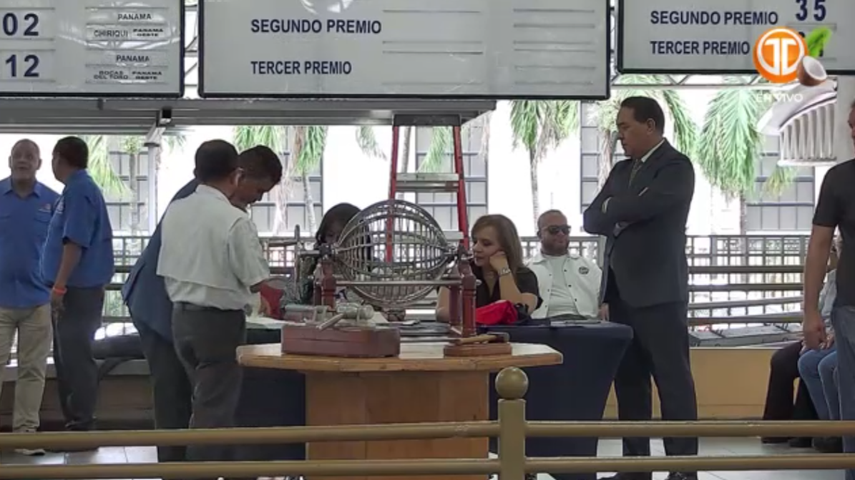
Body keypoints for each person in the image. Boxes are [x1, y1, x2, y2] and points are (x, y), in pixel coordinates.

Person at [122, 145, 282, 464]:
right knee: (181, 399)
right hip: (159, 306)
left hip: (179, 310)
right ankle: (186, 470)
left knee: (200, 400)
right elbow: (244, 273)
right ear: (238, 176)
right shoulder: (217, 210)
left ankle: (188, 468)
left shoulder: (191, 201)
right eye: (259, 190)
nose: (257, 199)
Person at [582, 96, 697, 480]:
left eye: (626, 127)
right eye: (618, 128)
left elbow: (643, 208)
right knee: (630, 384)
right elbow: (591, 218)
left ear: (650, 126)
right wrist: (619, 208)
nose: (620, 136)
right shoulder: (621, 170)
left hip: (660, 292)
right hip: (620, 293)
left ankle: (683, 468)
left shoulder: (675, 167)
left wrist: (616, 208)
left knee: (672, 381)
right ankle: (635, 466)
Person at [157, 140, 270, 466]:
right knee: (214, 410)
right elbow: (255, 279)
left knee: (205, 401)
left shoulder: (175, 209)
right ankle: (200, 472)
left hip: (180, 319)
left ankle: (231, 468)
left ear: (197, 172)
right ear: (236, 175)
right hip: (218, 324)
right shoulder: (233, 219)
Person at [41, 136, 115, 439]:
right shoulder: (74, 189)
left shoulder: (81, 191)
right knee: (66, 358)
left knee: (75, 358)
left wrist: (59, 287)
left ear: (58, 158)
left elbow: (75, 242)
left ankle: (82, 425)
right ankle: (74, 422)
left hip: (78, 290)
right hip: (74, 289)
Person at [803, 99, 855, 480]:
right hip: (851, 306)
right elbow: (819, 245)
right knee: (852, 407)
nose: (852, 133)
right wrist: (810, 310)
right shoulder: (839, 179)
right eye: (851, 125)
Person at [0, 140, 60, 455]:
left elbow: (65, 247)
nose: (23, 161)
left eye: (29, 156)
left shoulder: (53, 201)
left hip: (38, 300)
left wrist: (58, 288)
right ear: (9, 161)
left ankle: (25, 435)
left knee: (32, 370)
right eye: (18, 156)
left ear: (39, 164)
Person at [435, 214, 540, 321]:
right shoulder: (460, 270)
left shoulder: (525, 275)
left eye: (486, 244)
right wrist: (487, 315)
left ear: (506, 248)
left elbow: (517, 313)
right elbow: (442, 313)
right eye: (475, 242)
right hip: (468, 332)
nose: (476, 248)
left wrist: (503, 271)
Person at [798, 236, 841, 453]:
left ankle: (839, 430)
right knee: (806, 362)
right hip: (834, 332)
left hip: (844, 334)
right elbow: (822, 309)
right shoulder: (835, 277)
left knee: (828, 366)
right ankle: (829, 426)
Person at [526, 209, 603, 321]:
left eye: (565, 230)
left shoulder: (589, 267)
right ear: (540, 235)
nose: (561, 234)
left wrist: (606, 303)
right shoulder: (528, 269)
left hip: (586, 323)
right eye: (554, 230)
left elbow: (606, 294)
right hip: (543, 324)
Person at [298, 203, 361, 305]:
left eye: (342, 237)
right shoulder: (310, 264)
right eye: (330, 235)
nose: (335, 243)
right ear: (323, 237)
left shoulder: (373, 270)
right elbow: (287, 300)